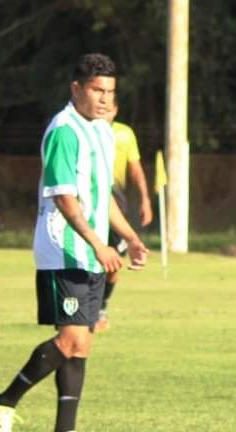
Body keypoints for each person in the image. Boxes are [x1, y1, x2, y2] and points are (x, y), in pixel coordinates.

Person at [0, 53, 148, 432]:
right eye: (96, 90)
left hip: (91, 252)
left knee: (82, 344)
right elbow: (64, 197)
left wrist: (129, 237)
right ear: (76, 89)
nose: (105, 99)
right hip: (65, 250)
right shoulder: (64, 130)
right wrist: (97, 243)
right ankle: (3, 402)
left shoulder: (102, 131)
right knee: (71, 339)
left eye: (110, 92)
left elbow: (102, 197)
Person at [98, 99, 153, 331]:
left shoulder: (124, 134)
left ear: (115, 110)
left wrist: (145, 199)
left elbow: (136, 169)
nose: (104, 111)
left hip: (116, 202)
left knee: (114, 263)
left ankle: (101, 308)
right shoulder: (84, 132)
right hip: (90, 201)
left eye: (109, 107)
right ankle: (81, 308)